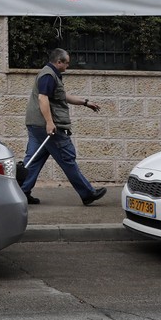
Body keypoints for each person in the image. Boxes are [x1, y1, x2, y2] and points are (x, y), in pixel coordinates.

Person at [21, 47, 107, 206]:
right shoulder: (48, 75)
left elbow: (62, 96)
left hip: (35, 125)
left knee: (33, 160)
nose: (68, 66)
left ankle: (21, 193)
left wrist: (85, 103)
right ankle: (87, 193)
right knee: (67, 158)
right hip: (47, 127)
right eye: (66, 63)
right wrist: (49, 122)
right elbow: (42, 98)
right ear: (58, 62)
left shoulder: (50, 75)